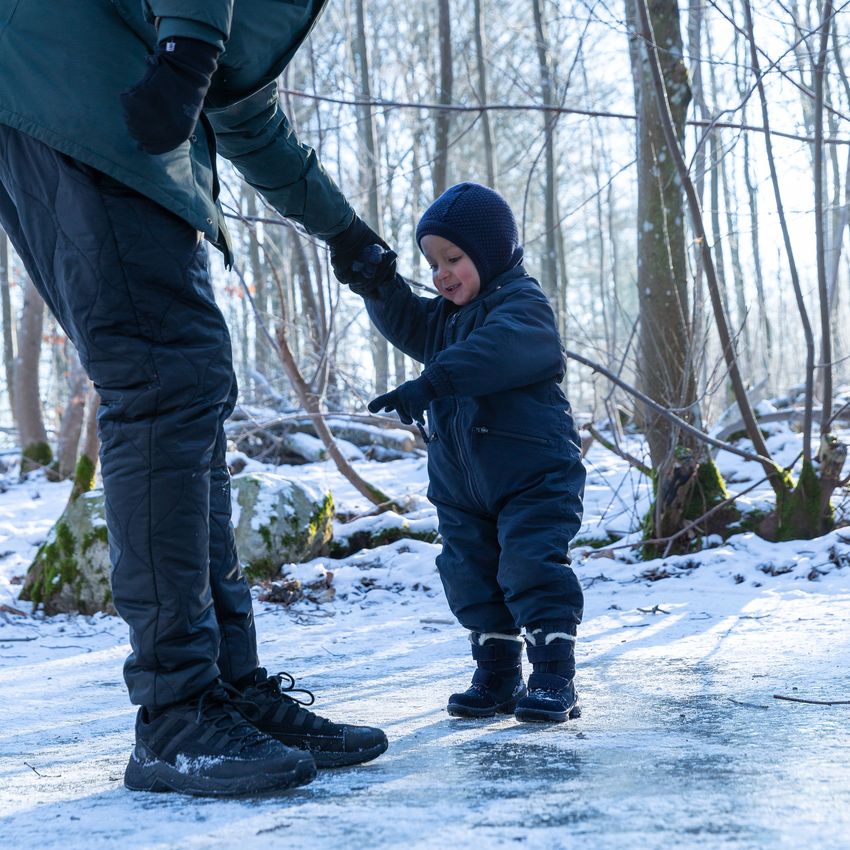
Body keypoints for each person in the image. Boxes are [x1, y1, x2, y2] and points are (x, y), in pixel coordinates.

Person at [0, 0, 394, 797]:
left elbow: (247, 119)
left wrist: (351, 240)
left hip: (75, 99)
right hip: (84, 94)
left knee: (188, 389)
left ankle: (221, 688)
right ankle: (177, 713)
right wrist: (184, 50)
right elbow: (200, 64)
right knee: (164, 378)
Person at [346, 182, 586, 723]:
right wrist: (378, 284)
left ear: (492, 251)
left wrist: (431, 382)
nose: (442, 274)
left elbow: (493, 352)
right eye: (432, 264)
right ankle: (498, 673)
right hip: (460, 483)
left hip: (532, 475)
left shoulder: (523, 307)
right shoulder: (444, 319)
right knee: (468, 571)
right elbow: (409, 321)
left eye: (454, 259)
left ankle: (553, 676)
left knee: (531, 566)